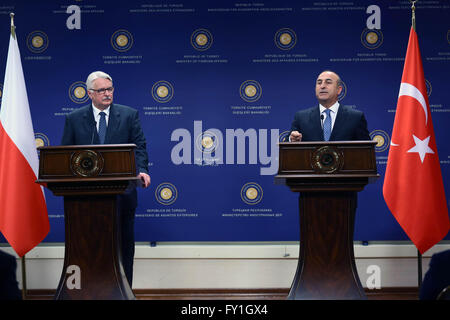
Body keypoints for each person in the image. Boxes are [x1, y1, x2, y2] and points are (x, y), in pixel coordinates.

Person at [61, 71, 150, 287]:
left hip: (123, 193)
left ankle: (125, 289)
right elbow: (65, 154)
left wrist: (142, 170)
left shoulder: (129, 115)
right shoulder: (74, 119)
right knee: (89, 246)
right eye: (102, 90)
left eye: (110, 89)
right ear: (90, 94)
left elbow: (139, 147)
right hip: (85, 198)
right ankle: (91, 290)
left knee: (124, 245)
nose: (107, 94)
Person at [289, 70, 370, 142]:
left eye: (328, 82)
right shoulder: (301, 117)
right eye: (319, 83)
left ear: (339, 90)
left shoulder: (355, 117)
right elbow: (287, 141)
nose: (322, 86)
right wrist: (291, 139)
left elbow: (366, 149)